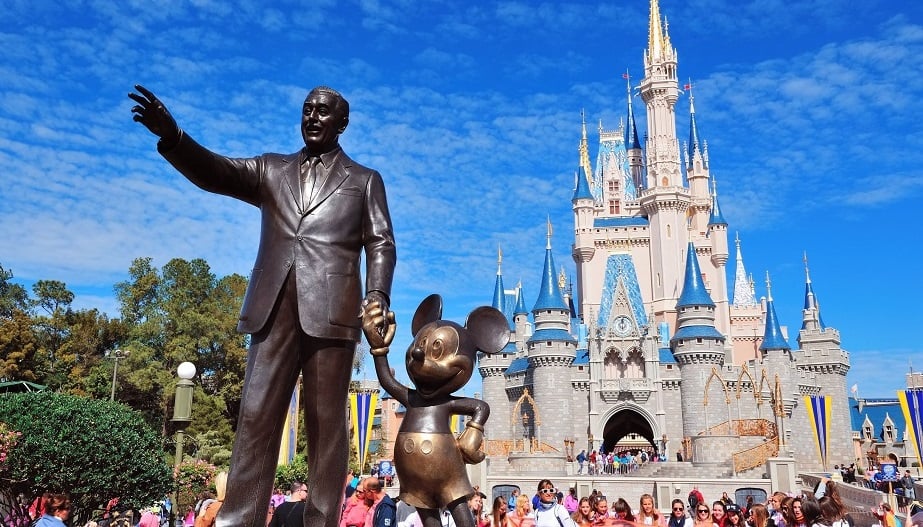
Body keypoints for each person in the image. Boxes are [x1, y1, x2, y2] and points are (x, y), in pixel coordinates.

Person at [129, 83, 396, 527]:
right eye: (307, 109)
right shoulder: (272, 169)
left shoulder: (364, 179)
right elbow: (216, 171)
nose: (312, 117)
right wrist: (174, 137)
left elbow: (381, 242)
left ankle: (320, 521)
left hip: (332, 312)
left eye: (323, 112)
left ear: (342, 123)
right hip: (272, 309)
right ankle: (239, 519)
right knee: (255, 417)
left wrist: (377, 295)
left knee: (327, 427)